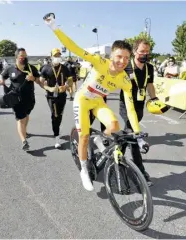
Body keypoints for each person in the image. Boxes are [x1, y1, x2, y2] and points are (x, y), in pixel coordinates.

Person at [44, 13, 141, 191]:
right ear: (112, 55)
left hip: (97, 102)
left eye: (127, 58)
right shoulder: (99, 61)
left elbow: (131, 109)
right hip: (82, 101)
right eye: (119, 56)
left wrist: (138, 133)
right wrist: (54, 28)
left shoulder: (124, 79)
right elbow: (73, 46)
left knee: (115, 125)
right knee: (84, 136)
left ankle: (98, 139)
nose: (122, 61)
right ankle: (83, 170)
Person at [119, 39, 158, 186]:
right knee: (134, 137)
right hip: (126, 106)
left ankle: (117, 156)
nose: (145, 54)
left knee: (127, 133)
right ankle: (140, 173)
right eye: (142, 51)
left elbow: (149, 84)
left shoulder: (150, 67)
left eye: (147, 52)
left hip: (140, 107)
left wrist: (154, 98)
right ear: (135, 51)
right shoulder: (126, 67)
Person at [0, 48, 43, 151]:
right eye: (22, 56)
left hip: (30, 98)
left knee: (26, 115)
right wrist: (0, 80)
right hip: (16, 99)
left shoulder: (31, 68)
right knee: (21, 119)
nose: (24, 58)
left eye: (25, 56)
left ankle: (25, 132)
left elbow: (40, 81)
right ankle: (24, 141)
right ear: (17, 57)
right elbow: (2, 76)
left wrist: (34, 79)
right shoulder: (10, 69)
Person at [40, 48, 72, 148]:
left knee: (60, 114)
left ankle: (57, 127)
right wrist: (49, 88)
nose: (57, 57)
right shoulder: (45, 68)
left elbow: (70, 81)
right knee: (55, 115)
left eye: (59, 55)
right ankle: (57, 137)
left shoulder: (65, 68)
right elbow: (41, 82)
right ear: (51, 57)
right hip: (51, 96)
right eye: (55, 55)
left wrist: (65, 87)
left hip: (62, 95)